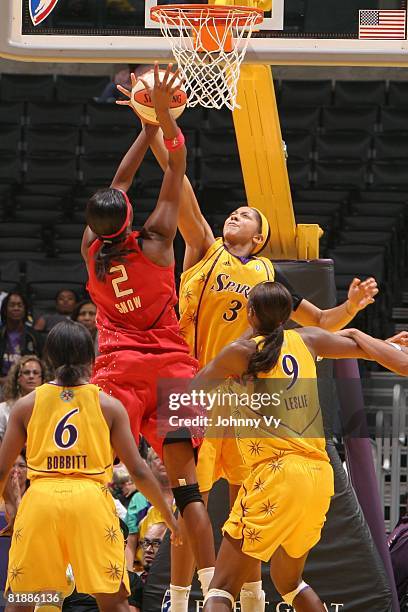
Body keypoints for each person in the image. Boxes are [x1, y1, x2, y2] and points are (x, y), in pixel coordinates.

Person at [116, 73, 379, 611]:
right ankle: (179, 596)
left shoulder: (268, 281)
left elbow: (324, 321)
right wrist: (158, 126)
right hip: (193, 385)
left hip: (243, 397)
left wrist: (350, 307)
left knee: (247, 501)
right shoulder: (205, 250)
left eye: (244, 216)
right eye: (232, 212)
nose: (233, 215)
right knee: (189, 498)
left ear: (258, 238)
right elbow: (180, 187)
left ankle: (249, 599)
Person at [81, 63, 215, 604]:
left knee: (91, 475)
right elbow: (176, 167)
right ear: (128, 216)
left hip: (117, 370)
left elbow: (115, 187)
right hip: (171, 369)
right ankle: (214, 592)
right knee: (189, 490)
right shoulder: (158, 237)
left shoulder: (91, 248)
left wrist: (143, 128)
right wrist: (159, 123)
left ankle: (96, 586)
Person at [187, 280, 376, 612]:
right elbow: (357, 345)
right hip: (319, 477)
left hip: (276, 475)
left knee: (222, 587)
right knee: (290, 583)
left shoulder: (241, 352)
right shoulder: (308, 339)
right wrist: (387, 344)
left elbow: (187, 395)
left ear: (250, 313)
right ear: (290, 314)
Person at [0, 319, 180, 612]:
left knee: (24, 601)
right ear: (91, 359)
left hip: (40, 500)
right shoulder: (108, 405)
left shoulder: (26, 404)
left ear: (49, 359)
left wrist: (10, 504)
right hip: (90, 500)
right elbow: (137, 469)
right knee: (113, 601)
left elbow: (2, 470)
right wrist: (170, 519)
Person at [0, 292, 43, 387]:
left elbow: (43, 364)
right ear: (5, 310)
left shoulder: (35, 336)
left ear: (25, 310)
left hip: (28, 384)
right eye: (12, 305)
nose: (16, 308)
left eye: (20, 305)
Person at [0, 355, 48, 441]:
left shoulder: (50, 408)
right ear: (18, 378)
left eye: (36, 373)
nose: (31, 376)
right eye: (26, 372)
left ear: (42, 379)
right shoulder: (3, 409)